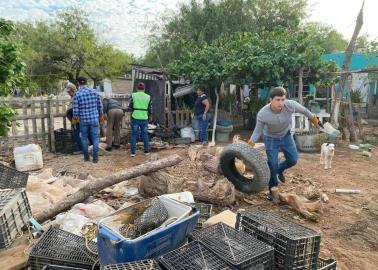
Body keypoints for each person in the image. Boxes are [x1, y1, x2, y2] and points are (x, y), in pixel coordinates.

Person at [248, 87, 321, 201]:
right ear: (270, 100)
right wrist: (250, 145)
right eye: (278, 100)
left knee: (293, 160)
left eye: (283, 99)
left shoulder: (290, 105)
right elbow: (257, 132)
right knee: (272, 163)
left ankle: (279, 170)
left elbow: (305, 111)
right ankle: (272, 190)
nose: (281, 103)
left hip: (286, 136)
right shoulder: (263, 113)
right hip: (270, 139)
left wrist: (314, 120)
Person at [73, 77, 104, 163]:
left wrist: (75, 118)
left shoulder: (77, 94)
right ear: (86, 82)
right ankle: (95, 158)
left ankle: (86, 158)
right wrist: (100, 114)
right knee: (95, 138)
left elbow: (75, 111)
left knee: (84, 138)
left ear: (78, 83)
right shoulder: (94, 91)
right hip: (94, 118)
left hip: (84, 119)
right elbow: (100, 106)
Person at [128, 82, 151, 157]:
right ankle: (146, 151)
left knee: (134, 135)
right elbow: (150, 108)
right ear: (144, 89)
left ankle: (133, 153)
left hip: (135, 117)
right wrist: (150, 116)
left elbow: (130, 107)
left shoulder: (133, 95)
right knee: (145, 135)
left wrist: (127, 116)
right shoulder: (148, 97)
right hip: (144, 118)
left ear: (137, 88)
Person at [65, 82, 82, 151]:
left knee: (76, 134)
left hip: (77, 119)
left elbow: (76, 109)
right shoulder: (73, 97)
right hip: (75, 119)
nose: (68, 93)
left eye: (69, 92)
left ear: (73, 90)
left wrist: (75, 118)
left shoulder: (76, 97)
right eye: (68, 92)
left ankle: (82, 148)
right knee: (77, 134)